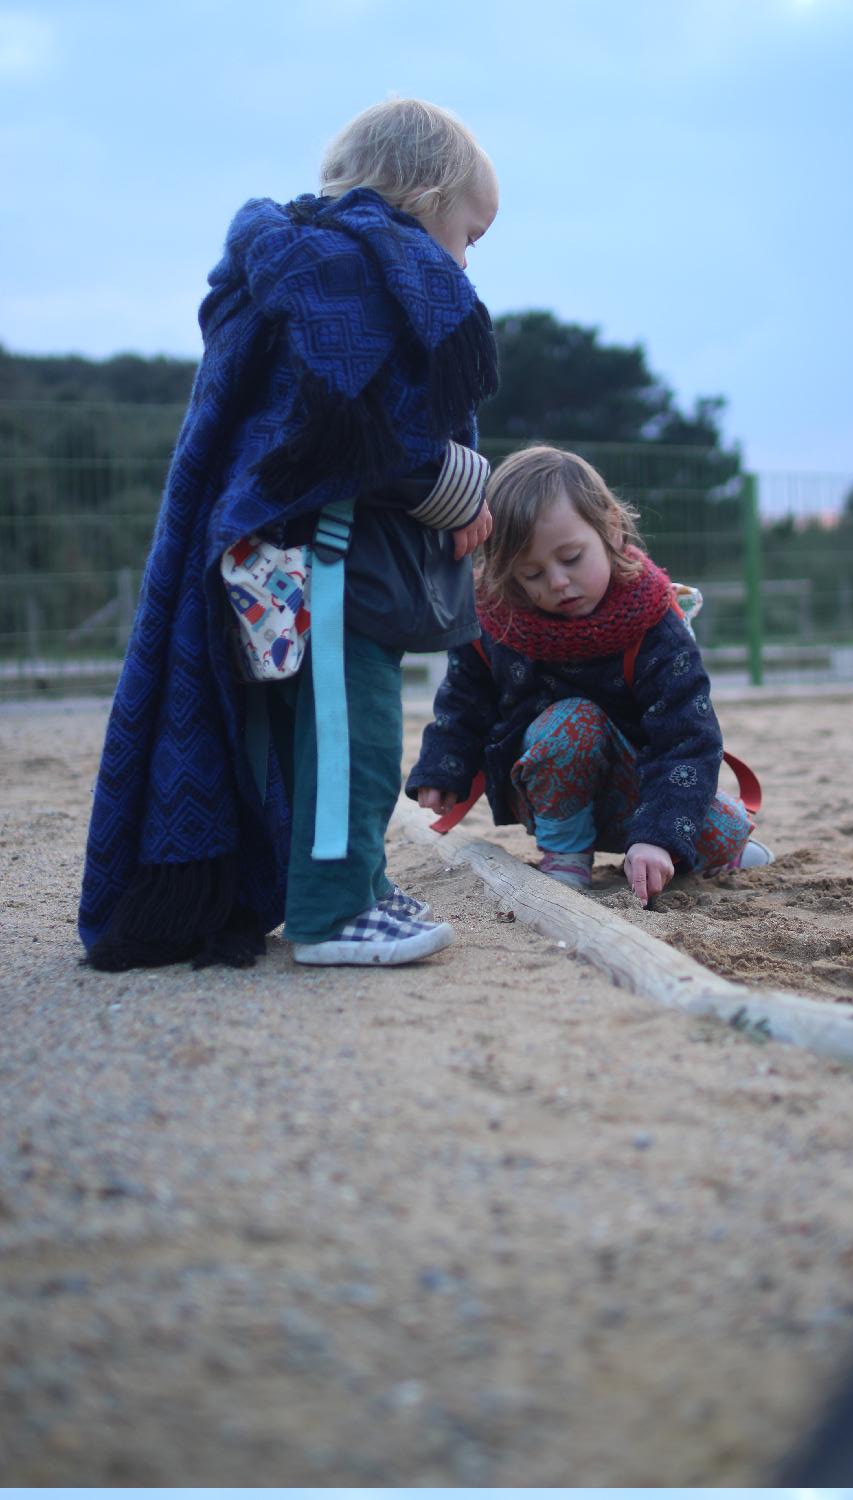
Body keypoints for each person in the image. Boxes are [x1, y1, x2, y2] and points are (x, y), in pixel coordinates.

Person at [79, 98, 499, 970]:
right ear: (423, 197)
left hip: (278, 557)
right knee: (355, 733)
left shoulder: (303, 263)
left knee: (314, 734)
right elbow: (360, 437)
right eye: (471, 232)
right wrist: (463, 487)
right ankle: (332, 913)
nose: (466, 258)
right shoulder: (353, 272)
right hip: (330, 559)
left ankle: (355, 885)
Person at [407, 446, 770, 903]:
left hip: (639, 788)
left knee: (718, 835)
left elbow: (688, 739)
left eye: (572, 557)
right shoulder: (497, 620)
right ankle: (565, 857)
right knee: (573, 721)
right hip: (542, 784)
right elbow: (464, 698)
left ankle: (719, 851)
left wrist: (657, 837)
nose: (557, 582)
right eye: (532, 573)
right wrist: (445, 765)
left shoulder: (654, 624)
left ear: (611, 530)